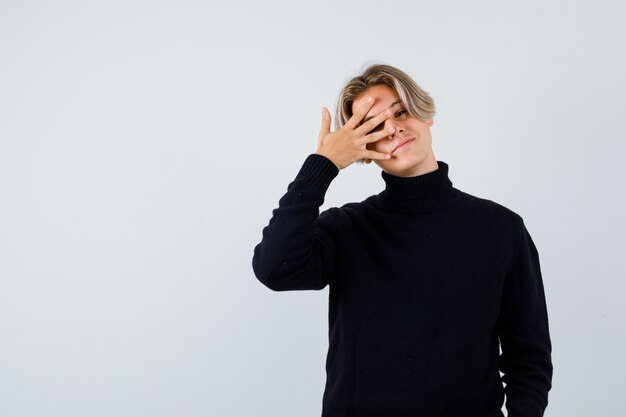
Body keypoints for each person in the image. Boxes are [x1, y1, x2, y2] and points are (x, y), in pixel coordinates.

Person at [251, 63, 553, 417]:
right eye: (375, 126)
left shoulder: (500, 228)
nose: (393, 127)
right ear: (362, 149)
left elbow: (528, 358)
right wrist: (323, 164)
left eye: (401, 111)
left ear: (426, 115)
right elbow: (274, 269)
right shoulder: (347, 228)